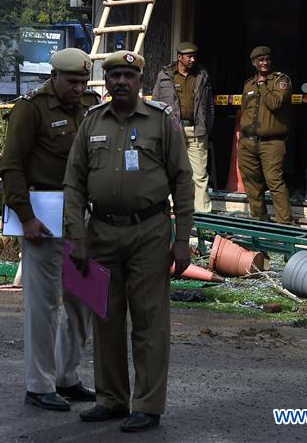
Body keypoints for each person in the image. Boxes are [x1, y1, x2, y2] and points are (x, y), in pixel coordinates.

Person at [64, 50, 194, 433]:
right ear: (106, 82)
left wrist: (182, 238)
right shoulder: (92, 123)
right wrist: (77, 236)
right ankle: (112, 398)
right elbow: (73, 183)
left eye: (129, 75)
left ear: (140, 81)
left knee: (150, 322)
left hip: (150, 233)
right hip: (101, 232)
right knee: (106, 317)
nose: (121, 81)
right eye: (114, 75)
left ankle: (148, 404)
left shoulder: (159, 122)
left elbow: (182, 180)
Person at [0, 48, 98, 412]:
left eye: (83, 81)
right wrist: (25, 217)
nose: (78, 88)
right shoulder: (31, 109)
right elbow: (11, 165)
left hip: (81, 220)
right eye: (72, 81)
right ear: (53, 76)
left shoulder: (89, 105)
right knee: (43, 305)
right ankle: (39, 384)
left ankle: (66, 376)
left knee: (84, 300)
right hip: (43, 218)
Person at [151, 41, 213, 213]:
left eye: (194, 56)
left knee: (199, 174)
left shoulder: (202, 75)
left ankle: (203, 213)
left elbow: (209, 105)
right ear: (180, 57)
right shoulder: (165, 75)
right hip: (172, 131)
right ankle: (171, 209)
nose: (193, 59)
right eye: (189, 56)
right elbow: (155, 104)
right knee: (172, 171)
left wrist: (207, 127)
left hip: (196, 130)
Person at [237, 46, 293, 224]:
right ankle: (260, 222)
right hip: (248, 142)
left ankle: (285, 225)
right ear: (254, 63)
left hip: (271, 142)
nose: (264, 62)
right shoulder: (248, 84)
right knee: (252, 184)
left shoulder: (280, 81)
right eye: (260, 60)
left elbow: (275, 103)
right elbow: (245, 109)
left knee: (274, 182)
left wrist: (262, 84)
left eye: (267, 59)